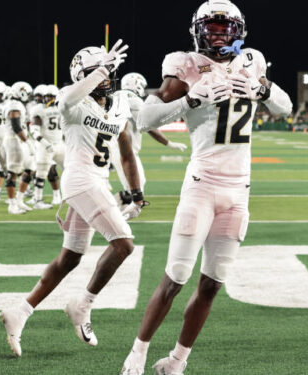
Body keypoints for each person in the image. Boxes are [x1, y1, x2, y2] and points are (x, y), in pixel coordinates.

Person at [119, 1, 293, 373]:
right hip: (202, 185)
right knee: (175, 279)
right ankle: (137, 352)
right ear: (198, 30)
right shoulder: (186, 65)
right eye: (211, 27)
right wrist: (190, 99)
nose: (218, 34)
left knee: (213, 284)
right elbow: (146, 118)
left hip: (239, 191)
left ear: (239, 30)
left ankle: (177, 361)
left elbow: (286, 107)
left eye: (224, 27)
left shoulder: (253, 61)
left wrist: (262, 89)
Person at [0, 40, 145, 357]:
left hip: (99, 181)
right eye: (98, 73)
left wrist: (136, 191)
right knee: (124, 244)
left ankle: (20, 311)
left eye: (108, 71)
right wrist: (96, 73)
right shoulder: (73, 102)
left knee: (71, 258)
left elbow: (127, 151)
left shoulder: (119, 104)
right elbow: (68, 97)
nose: (106, 77)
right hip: (80, 181)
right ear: (84, 76)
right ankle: (83, 304)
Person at [109, 72, 188, 207]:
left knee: (137, 188)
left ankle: (112, 218)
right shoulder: (134, 99)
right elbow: (148, 125)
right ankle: (110, 217)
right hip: (124, 151)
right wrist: (168, 143)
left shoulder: (113, 96)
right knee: (135, 193)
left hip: (110, 148)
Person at [28, 84, 64, 208]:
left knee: (71, 169)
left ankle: (65, 196)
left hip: (60, 144)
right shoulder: (39, 109)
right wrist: (45, 143)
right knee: (41, 173)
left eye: (51, 96)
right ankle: (37, 200)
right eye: (47, 96)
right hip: (45, 145)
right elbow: (34, 131)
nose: (48, 99)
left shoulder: (62, 108)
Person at [1, 82, 34, 214]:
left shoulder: (15, 104)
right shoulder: (14, 105)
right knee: (13, 172)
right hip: (14, 140)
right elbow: (16, 126)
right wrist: (27, 141)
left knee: (31, 168)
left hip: (19, 140)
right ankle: (12, 204)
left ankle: (19, 200)